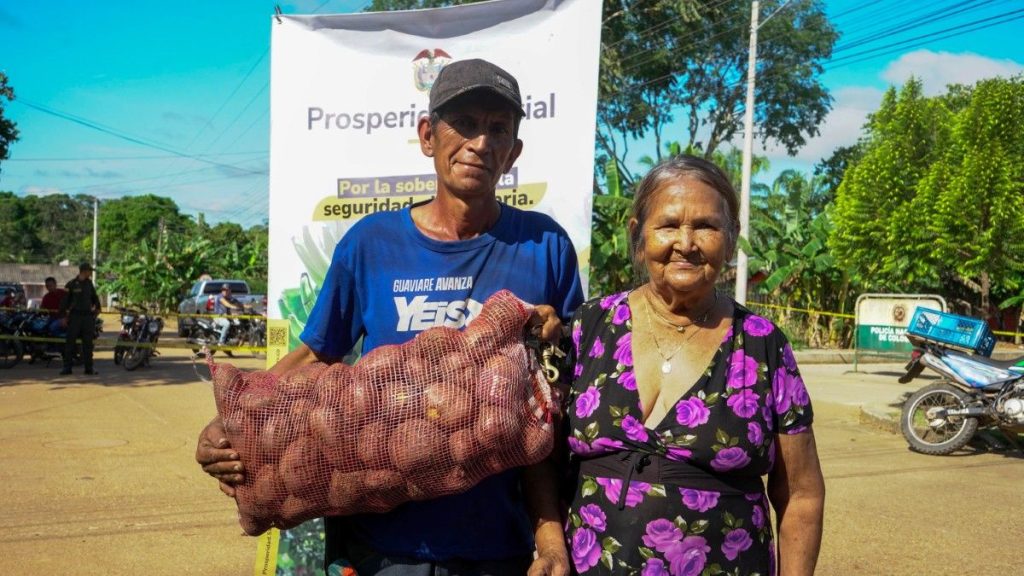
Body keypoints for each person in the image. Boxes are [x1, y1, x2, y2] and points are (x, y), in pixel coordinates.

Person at [196, 58, 584, 575]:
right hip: (383, 546)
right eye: (464, 124)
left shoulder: (545, 246)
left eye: (498, 130)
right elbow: (316, 352)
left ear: (513, 152)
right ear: (428, 136)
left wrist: (551, 540)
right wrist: (235, 425)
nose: (480, 143)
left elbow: (552, 413)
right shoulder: (371, 243)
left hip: (498, 543)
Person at [562, 155, 825, 575]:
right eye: (668, 225)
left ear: (732, 236)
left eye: (705, 226)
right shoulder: (590, 325)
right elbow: (543, 459)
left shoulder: (761, 344)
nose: (685, 243)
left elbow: (802, 495)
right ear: (638, 234)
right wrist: (549, 547)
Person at [59, 262, 101, 376]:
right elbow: (64, 302)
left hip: (87, 317)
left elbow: (94, 298)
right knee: (70, 344)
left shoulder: (89, 284)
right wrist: (63, 317)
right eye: (89, 271)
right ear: (84, 271)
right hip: (75, 317)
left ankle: (89, 368)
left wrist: (97, 308)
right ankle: (67, 368)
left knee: (88, 344)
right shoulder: (71, 284)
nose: (91, 273)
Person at [213, 283, 243, 347]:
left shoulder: (229, 297)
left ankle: (232, 339)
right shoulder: (219, 296)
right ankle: (221, 342)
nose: (225, 291)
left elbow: (239, 303)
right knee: (227, 324)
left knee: (237, 322)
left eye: (226, 290)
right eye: (223, 290)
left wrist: (246, 306)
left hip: (225, 316)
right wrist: (234, 307)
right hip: (218, 317)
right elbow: (226, 304)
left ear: (230, 291)